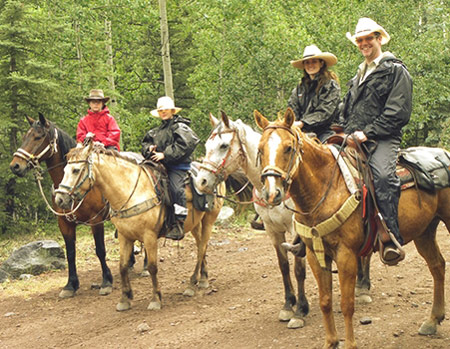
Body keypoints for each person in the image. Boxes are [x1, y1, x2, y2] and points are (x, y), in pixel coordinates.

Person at [340, 18, 413, 265]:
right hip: (353, 138)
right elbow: (347, 109)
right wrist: (341, 129)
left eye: (368, 39)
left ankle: (390, 237)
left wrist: (368, 133)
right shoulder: (359, 74)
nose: (363, 44)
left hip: (382, 138)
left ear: (379, 39)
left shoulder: (396, 70)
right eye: (359, 40)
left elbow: (398, 113)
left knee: (382, 176)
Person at [141, 96, 199, 240]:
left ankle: (178, 223)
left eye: (165, 109)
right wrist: (149, 149)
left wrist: (164, 155)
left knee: (176, 189)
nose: (163, 112)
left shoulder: (180, 127)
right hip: (158, 166)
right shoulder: (155, 131)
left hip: (177, 166)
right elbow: (145, 144)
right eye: (160, 110)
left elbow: (187, 144)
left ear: (172, 110)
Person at [288, 44, 341, 142]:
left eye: (314, 61)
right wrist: (293, 122)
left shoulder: (331, 86)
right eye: (307, 62)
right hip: (301, 131)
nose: (310, 65)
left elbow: (325, 112)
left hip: (326, 131)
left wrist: (303, 123)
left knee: (333, 151)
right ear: (304, 66)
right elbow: (292, 108)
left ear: (321, 63)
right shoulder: (299, 89)